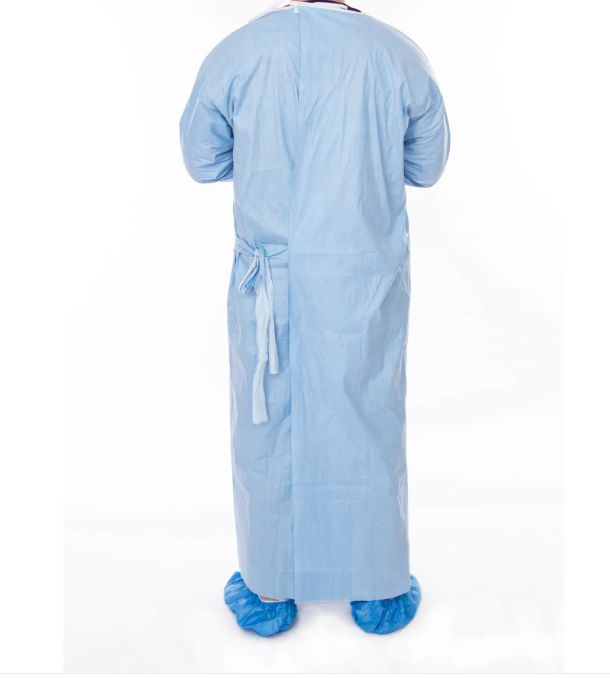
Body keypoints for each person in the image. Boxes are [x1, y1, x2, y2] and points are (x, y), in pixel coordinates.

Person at [180, 0, 449, 636]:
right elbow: (427, 167)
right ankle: (376, 587)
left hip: (271, 280)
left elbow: (202, 161)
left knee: (268, 427)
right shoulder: (396, 55)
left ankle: (270, 587)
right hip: (363, 280)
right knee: (367, 421)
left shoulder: (237, 53)